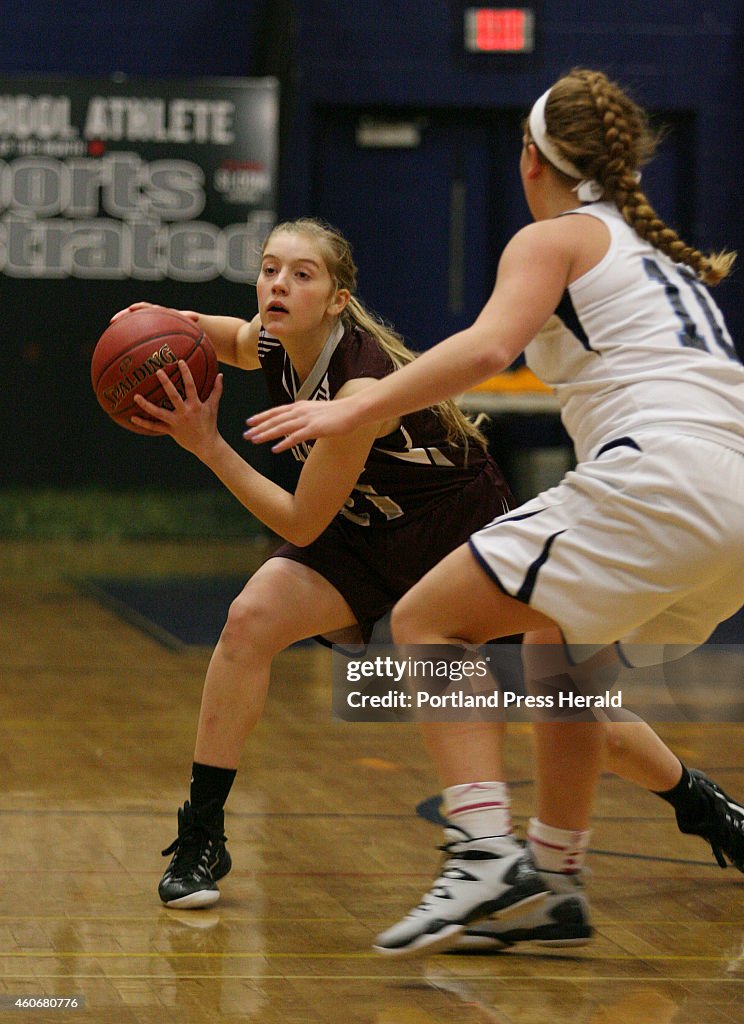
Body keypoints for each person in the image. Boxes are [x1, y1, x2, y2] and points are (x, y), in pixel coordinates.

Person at [245, 68, 744, 958]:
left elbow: (487, 345)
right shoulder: (655, 250)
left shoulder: (553, 237)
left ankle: (481, 853)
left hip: (660, 476)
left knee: (429, 620)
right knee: (561, 662)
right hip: (730, 496)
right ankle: (554, 882)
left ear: (531, 157)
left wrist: (351, 406)